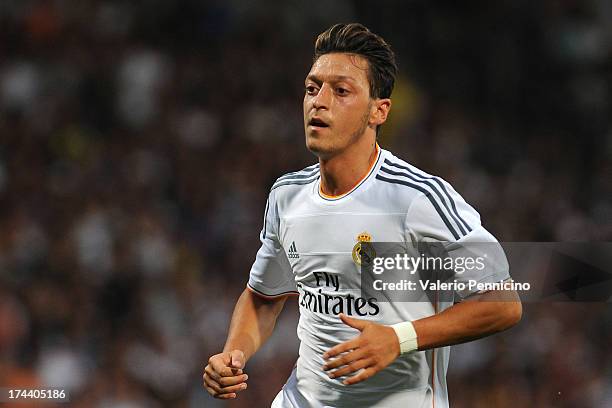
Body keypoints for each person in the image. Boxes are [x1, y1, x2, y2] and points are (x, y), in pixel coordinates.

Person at [203, 23, 522, 407]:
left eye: (341, 91)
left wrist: (398, 339)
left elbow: (502, 303)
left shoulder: (417, 199)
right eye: (312, 88)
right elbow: (263, 298)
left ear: (379, 111)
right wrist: (233, 353)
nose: (319, 102)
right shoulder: (287, 196)